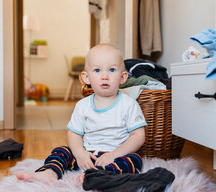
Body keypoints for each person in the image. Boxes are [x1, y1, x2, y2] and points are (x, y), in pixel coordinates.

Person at [16, 44, 147, 184]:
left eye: (112, 70)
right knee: (62, 151)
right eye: (97, 70)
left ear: (123, 77)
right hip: (87, 155)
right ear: (86, 78)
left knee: (134, 160)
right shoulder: (82, 106)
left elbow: (138, 136)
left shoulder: (129, 104)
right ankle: (49, 173)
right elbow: (74, 134)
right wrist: (80, 154)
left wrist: (114, 155)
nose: (104, 76)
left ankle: (97, 175)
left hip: (115, 156)